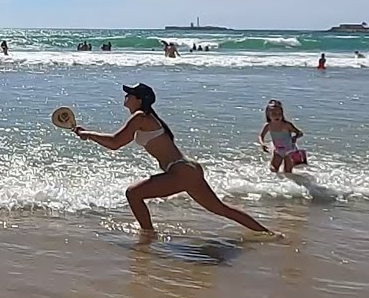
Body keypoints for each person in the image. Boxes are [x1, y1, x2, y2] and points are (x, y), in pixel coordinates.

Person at [72, 83, 272, 234]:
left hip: (181, 171)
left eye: (130, 94)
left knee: (133, 194)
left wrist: (88, 134)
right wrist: (87, 133)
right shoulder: (146, 117)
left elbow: (115, 143)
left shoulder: (140, 117)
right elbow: (117, 142)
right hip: (186, 169)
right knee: (220, 209)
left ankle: (148, 235)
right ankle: (269, 233)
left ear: (139, 99)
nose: (126, 96)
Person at [259, 100, 306, 173]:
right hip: (278, 150)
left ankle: (288, 183)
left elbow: (300, 133)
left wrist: (295, 137)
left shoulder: (286, 125)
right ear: (268, 114)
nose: (277, 116)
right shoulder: (268, 125)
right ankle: (275, 183)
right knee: (273, 169)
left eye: (279, 113)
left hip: (289, 150)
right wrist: (262, 144)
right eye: (274, 113)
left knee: (287, 172)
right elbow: (261, 136)